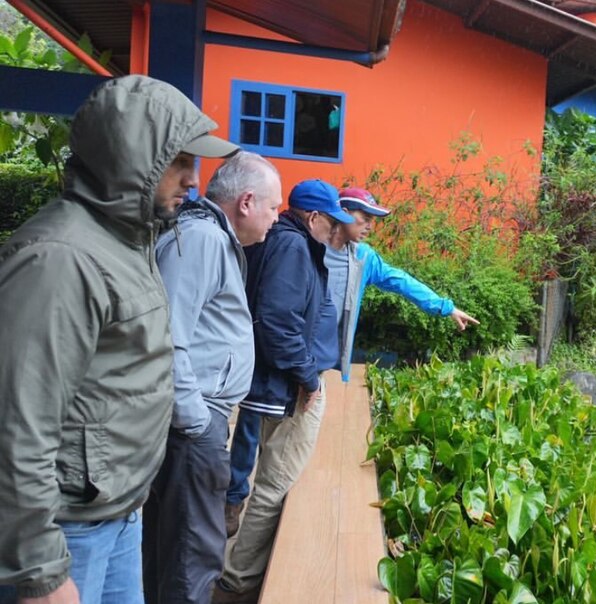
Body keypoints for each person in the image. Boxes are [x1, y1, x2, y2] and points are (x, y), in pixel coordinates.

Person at [0, 75, 237, 604]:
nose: (193, 180)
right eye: (178, 162)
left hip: (117, 512)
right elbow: (16, 423)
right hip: (66, 530)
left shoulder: (129, 242)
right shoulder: (60, 258)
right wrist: (41, 574)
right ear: (132, 158)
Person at [223, 187, 479, 537]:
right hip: (276, 354)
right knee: (251, 424)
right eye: (363, 218)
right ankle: (234, 499)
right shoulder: (303, 244)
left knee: (282, 442)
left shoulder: (362, 258)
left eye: (373, 220)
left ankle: (265, 510)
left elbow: (400, 281)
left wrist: (444, 307)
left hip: (313, 365)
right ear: (337, 214)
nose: (369, 226)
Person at [142, 152, 282, 604]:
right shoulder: (202, 239)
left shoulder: (211, 238)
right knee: (193, 557)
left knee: (175, 549)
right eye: (273, 207)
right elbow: (168, 335)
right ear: (246, 202)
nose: (276, 219)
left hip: (194, 421)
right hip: (191, 424)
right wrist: (197, 421)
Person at [213, 180, 353, 604]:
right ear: (313, 217)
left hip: (279, 383)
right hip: (289, 385)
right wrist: (309, 379)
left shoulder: (284, 241)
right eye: (333, 223)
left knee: (272, 479)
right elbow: (276, 320)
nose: (337, 232)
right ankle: (238, 581)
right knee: (275, 485)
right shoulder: (293, 247)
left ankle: (238, 571)